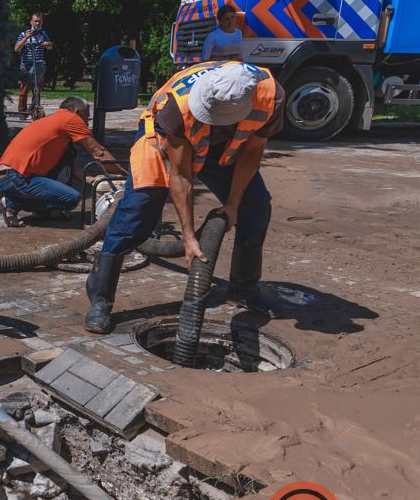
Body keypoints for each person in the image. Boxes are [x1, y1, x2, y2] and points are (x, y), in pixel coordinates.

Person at [83, 61, 287, 334]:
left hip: (224, 142)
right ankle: (100, 299)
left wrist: (234, 203)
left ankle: (244, 287)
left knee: (256, 205)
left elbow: (252, 151)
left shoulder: (270, 95)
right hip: (162, 133)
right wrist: (189, 237)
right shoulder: (176, 110)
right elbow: (180, 175)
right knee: (140, 207)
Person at [0, 97, 125, 227]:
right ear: (77, 112)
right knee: (71, 199)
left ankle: (42, 211)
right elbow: (98, 151)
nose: (86, 124)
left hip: (7, 175)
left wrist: (94, 179)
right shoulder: (71, 119)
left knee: (66, 180)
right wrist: (126, 174)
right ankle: (11, 203)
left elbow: (69, 168)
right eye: (86, 118)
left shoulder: (55, 122)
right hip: (16, 177)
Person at [14, 13, 54, 115]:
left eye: (39, 21)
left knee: (37, 91)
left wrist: (47, 44)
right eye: (35, 21)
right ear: (31, 22)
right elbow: (16, 48)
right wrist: (26, 38)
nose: (37, 23)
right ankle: (22, 112)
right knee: (24, 90)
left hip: (39, 66)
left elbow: (50, 47)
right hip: (26, 66)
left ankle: (34, 112)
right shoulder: (24, 34)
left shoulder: (43, 35)